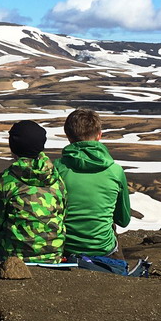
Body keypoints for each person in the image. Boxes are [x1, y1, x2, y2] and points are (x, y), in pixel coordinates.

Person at [0, 120, 66, 263]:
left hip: (13, 256)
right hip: (53, 255)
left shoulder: (6, 180)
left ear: (13, 147)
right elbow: (63, 213)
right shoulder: (56, 179)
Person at [57, 108, 131, 261]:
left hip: (64, 246)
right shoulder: (115, 171)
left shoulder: (57, 168)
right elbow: (123, 220)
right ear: (99, 135)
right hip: (103, 248)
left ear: (68, 136)